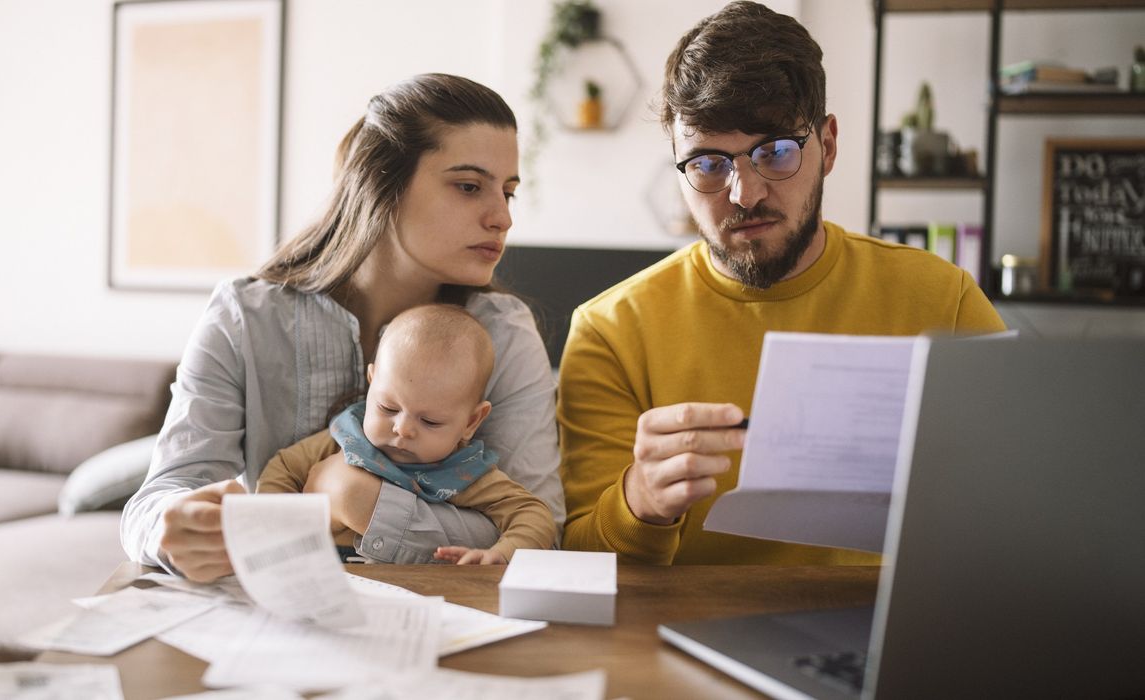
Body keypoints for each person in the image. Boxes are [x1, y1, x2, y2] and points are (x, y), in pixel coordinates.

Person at [557, 1, 1006, 566]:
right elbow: (578, 563)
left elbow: (1023, 507)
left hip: (890, 634)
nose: (745, 194)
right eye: (708, 163)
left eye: (775, 152)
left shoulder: (945, 301)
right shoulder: (609, 331)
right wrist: (640, 503)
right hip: (682, 642)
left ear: (830, 146)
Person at [121, 74, 564, 582]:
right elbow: (155, 502)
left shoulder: (504, 333)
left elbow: (542, 529)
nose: (503, 217)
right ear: (382, 186)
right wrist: (170, 529)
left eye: (508, 192)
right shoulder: (244, 317)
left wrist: (356, 499)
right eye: (469, 187)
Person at [256, 303, 557, 565]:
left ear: (471, 422)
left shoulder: (465, 473)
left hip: (418, 589)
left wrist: (503, 553)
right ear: (372, 382)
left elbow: (534, 515)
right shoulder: (346, 437)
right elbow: (283, 468)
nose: (402, 429)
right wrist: (273, 531)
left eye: (430, 421)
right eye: (387, 408)